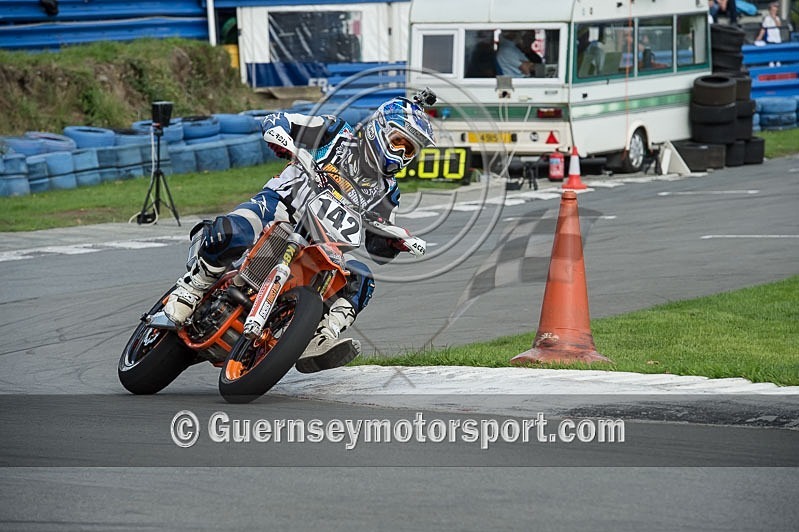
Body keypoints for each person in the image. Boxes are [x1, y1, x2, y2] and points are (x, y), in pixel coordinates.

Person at [164, 92, 437, 372]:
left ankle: (320, 337)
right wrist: (283, 139)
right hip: (279, 209)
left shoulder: (388, 191)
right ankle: (193, 287)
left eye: (411, 150)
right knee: (236, 231)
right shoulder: (336, 133)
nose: (403, 154)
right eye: (399, 142)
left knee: (362, 280)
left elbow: (378, 240)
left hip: (322, 244)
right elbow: (280, 120)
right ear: (380, 129)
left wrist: (394, 243)